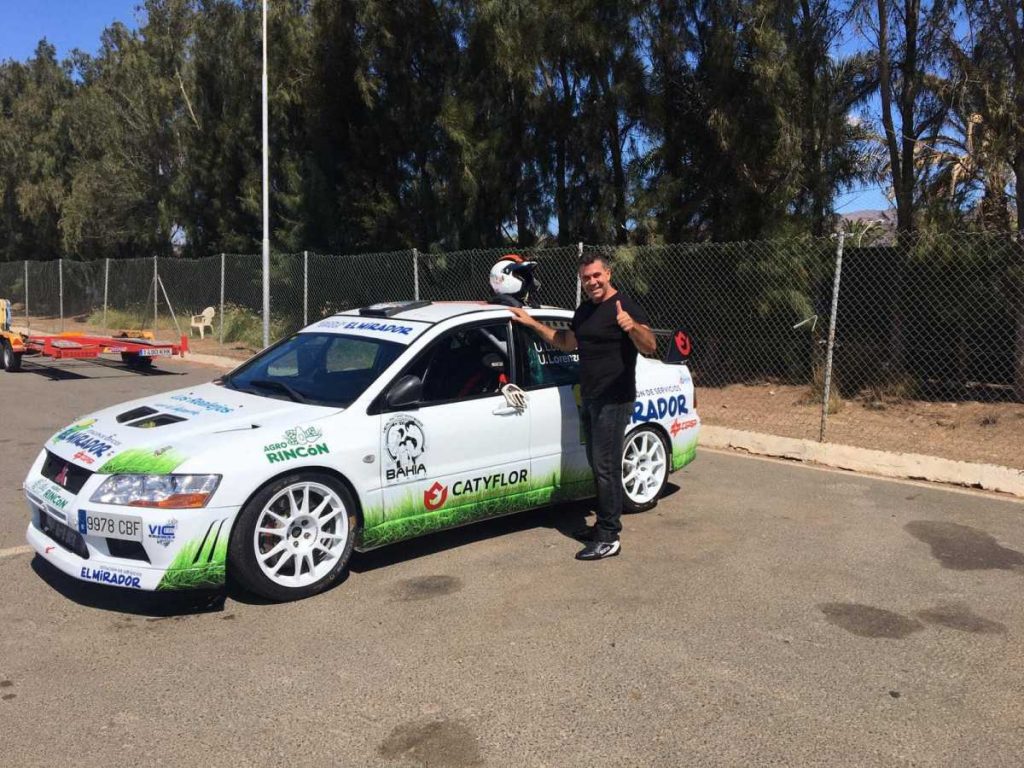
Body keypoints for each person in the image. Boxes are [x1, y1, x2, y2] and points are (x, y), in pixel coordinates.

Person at [509, 253, 655, 560]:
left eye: (596, 275)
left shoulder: (624, 306)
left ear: (608, 274)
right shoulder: (585, 310)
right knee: (597, 464)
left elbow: (650, 345)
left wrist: (631, 327)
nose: (592, 282)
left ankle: (609, 536)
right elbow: (566, 341)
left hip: (614, 398)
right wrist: (532, 323)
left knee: (606, 468)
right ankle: (601, 526)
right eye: (586, 278)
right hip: (590, 397)